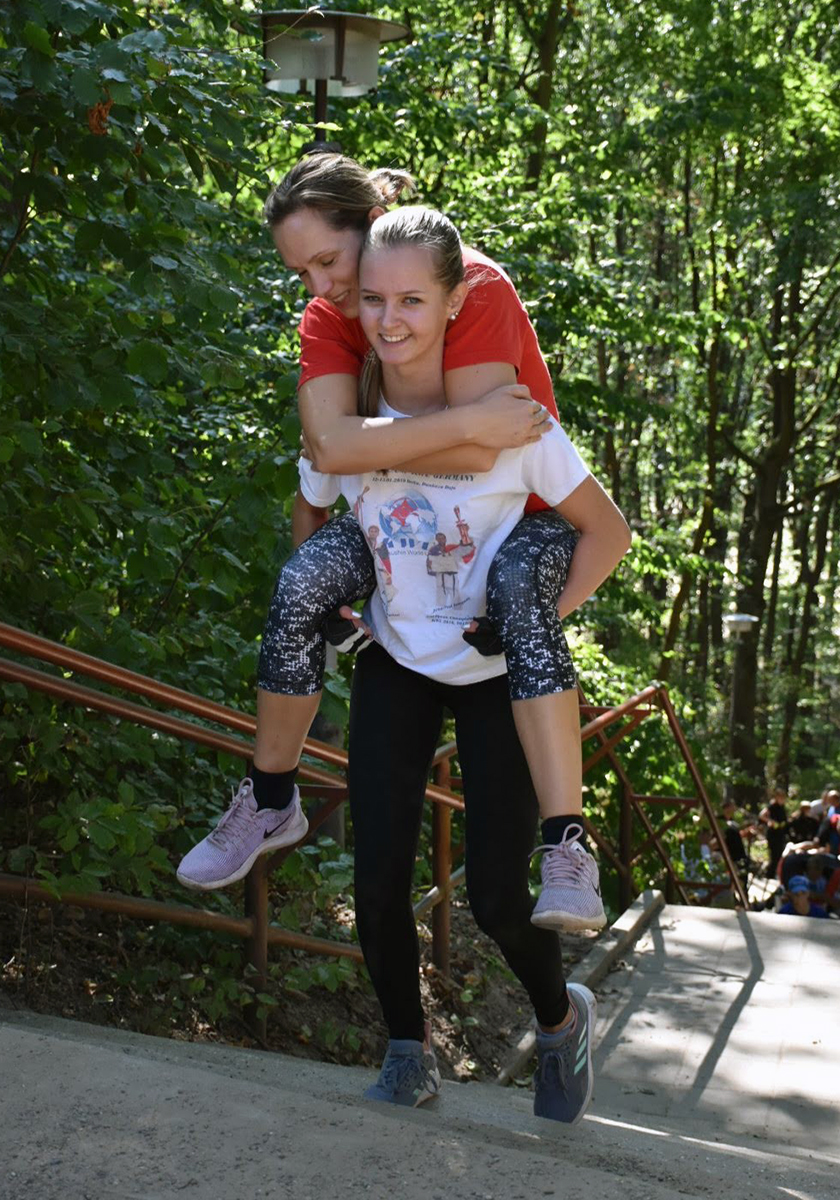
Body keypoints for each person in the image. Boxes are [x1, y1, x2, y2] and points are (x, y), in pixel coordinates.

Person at [177, 152, 615, 933]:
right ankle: (270, 798)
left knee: (495, 888)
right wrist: (418, 437)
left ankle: (567, 844)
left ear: (375, 230)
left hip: (518, 519)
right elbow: (332, 455)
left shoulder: (472, 287)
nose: (321, 289)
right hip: (403, 524)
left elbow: (481, 457)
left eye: (328, 261)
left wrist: (360, 444)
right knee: (301, 582)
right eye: (301, 272)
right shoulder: (332, 317)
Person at [297, 204, 629, 1117]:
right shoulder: (357, 422)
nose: (388, 319)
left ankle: (559, 1020)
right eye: (373, 301)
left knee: (496, 898)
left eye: (412, 300)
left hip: (495, 678)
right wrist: (334, 605)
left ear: (455, 305)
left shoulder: (513, 419)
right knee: (378, 877)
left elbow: (607, 531)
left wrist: (531, 622)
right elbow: (313, 501)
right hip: (398, 659)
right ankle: (408, 1052)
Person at [759, 788, 789, 879]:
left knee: (780, 854)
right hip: (773, 834)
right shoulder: (772, 806)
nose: (782, 799)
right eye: (780, 797)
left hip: (781, 834)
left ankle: (775, 873)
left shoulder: (782, 807)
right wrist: (771, 821)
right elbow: (761, 815)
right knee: (774, 855)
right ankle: (769, 875)